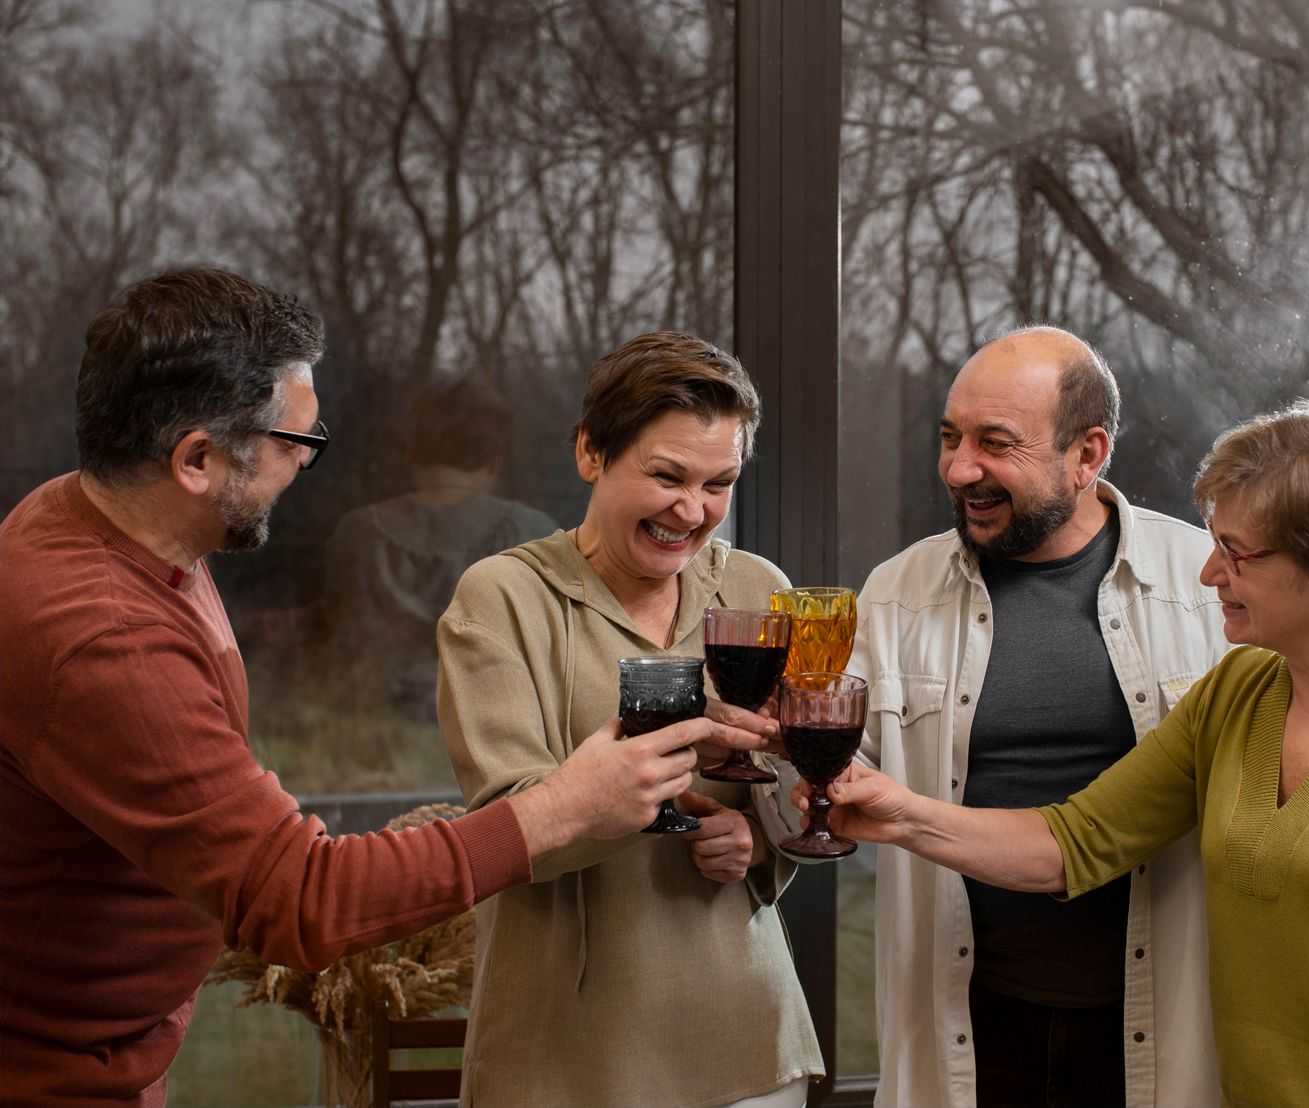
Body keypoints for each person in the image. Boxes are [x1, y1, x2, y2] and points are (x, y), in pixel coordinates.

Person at [0, 270, 767, 1106]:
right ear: (195, 459)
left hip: (114, 1052)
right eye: (296, 444)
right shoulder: (103, 633)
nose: (304, 466)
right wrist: (565, 807)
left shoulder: (96, 520)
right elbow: (300, 898)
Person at [811, 400, 1309, 1108]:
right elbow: (1076, 841)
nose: (1208, 573)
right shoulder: (1238, 694)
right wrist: (901, 816)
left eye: (1236, 553)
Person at [835, 325, 1231, 1108]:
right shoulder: (894, 592)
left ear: (1088, 456)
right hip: (969, 1029)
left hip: (1160, 1031)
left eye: (995, 442)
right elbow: (819, 803)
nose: (959, 468)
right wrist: (775, 774)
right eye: (950, 438)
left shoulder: (1208, 585)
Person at [436, 331, 824, 1107]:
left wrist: (759, 840)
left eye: (720, 483)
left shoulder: (757, 587)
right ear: (591, 453)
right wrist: (634, 785)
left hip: (748, 1037)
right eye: (666, 475)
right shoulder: (503, 598)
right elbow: (507, 829)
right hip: (564, 1052)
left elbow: (806, 785)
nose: (694, 510)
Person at [321, 376, 554, 723]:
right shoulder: (534, 533)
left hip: (369, 741)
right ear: (495, 459)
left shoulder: (357, 534)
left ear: (411, 451)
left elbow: (335, 646)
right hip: (495, 740)